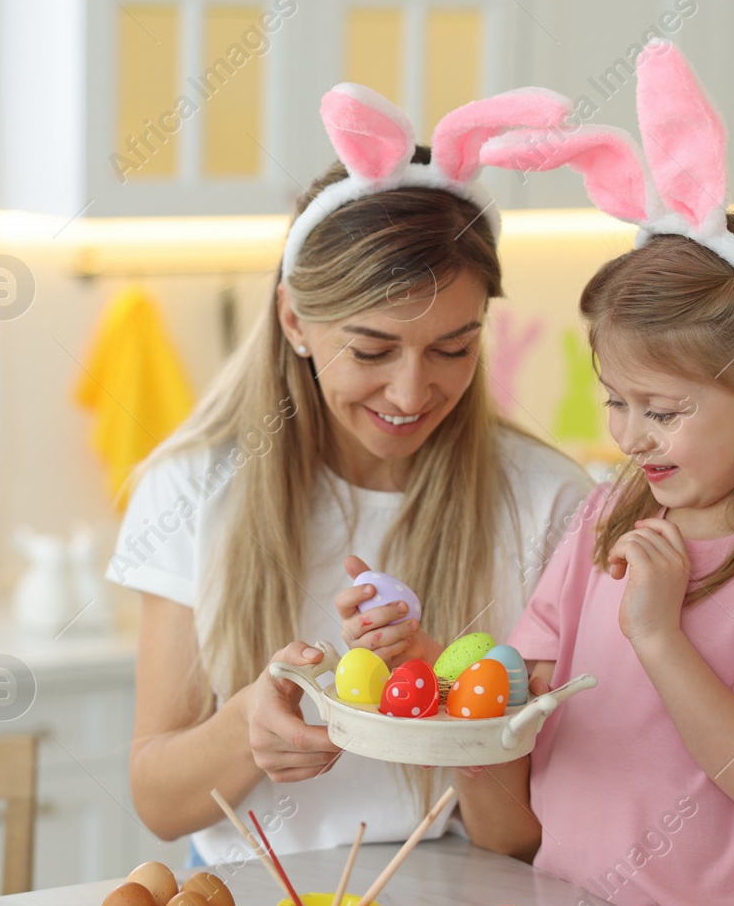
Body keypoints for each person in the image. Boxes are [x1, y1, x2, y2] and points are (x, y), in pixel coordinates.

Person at [458, 42, 734, 906]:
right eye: (617, 402)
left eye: (666, 409)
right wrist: (455, 703)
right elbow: (515, 792)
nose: (632, 438)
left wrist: (658, 631)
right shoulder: (605, 519)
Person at [107, 83, 592, 865]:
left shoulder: (552, 503)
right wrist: (248, 728)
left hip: (458, 900)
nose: (410, 393)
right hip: (253, 901)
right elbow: (160, 803)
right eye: (371, 351)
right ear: (295, 319)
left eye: (453, 348)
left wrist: (444, 693)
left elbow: (521, 838)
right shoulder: (191, 489)